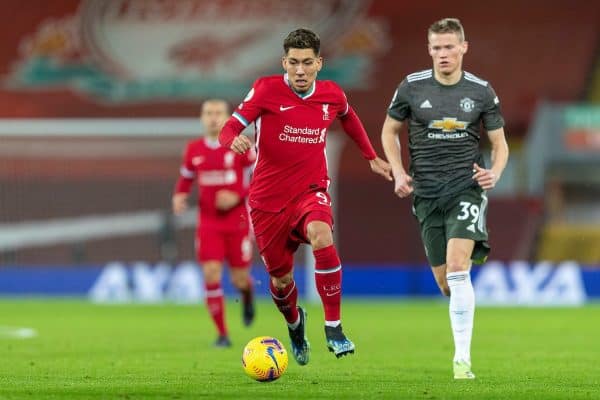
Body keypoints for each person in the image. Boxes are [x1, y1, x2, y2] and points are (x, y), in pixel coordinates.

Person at [219, 28, 392, 365]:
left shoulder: (331, 94)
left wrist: (371, 156)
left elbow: (349, 118)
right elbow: (229, 128)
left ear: (319, 63)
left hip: (310, 191)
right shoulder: (266, 89)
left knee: (321, 234)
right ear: (285, 62)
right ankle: (295, 324)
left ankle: (334, 326)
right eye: (294, 63)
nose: (300, 70)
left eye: (307, 63)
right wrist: (232, 140)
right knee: (281, 280)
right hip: (267, 201)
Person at [381, 18, 509, 379]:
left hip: (465, 188)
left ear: (463, 48)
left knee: (457, 268)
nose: (442, 54)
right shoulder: (411, 87)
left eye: (449, 47)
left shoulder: (482, 92)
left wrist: (494, 173)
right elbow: (389, 130)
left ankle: (462, 361)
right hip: (425, 193)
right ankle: (463, 314)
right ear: (429, 50)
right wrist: (398, 171)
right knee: (445, 283)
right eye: (436, 48)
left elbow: (499, 144)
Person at [173, 99, 256, 348]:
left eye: (218, 113)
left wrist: (237, 195)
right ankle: (222, 334)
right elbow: (185, 179)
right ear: (201, 118)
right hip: (208, 223)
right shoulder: (193, 149)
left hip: (238, 222)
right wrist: (179, 196)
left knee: (239, 279)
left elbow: (261, 177)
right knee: (211, 273)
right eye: (208, 113)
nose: (212, 117)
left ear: (228, 116)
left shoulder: (240, 145)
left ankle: (247, 295)